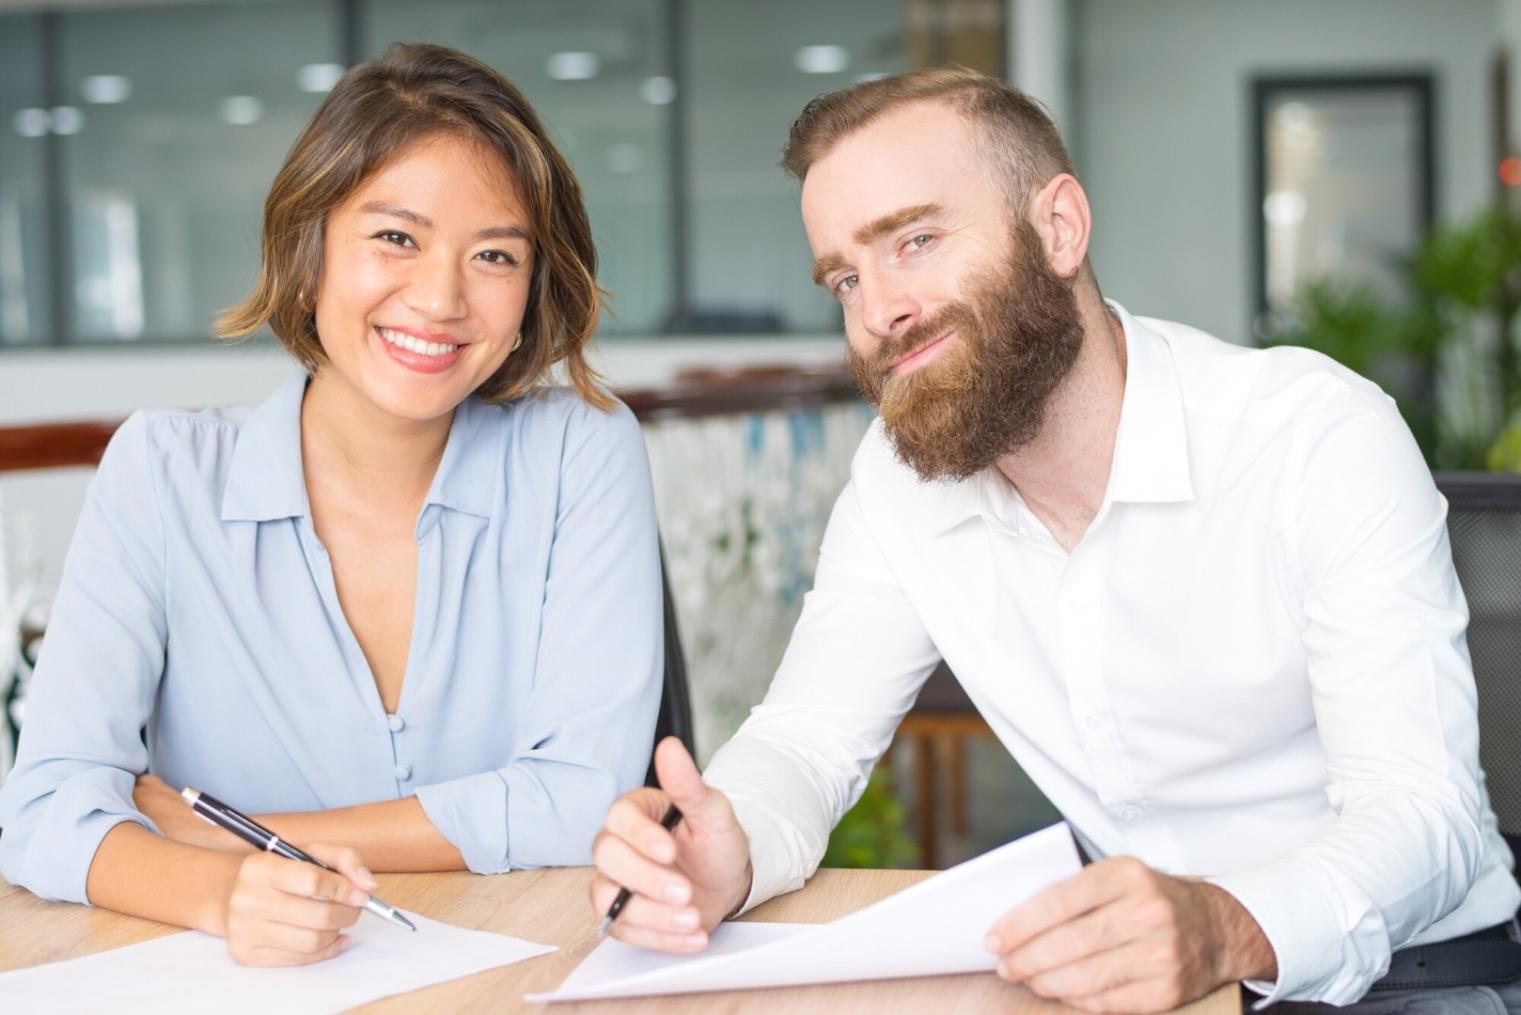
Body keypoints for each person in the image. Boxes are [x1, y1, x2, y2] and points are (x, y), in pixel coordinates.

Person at [587, 67, 1521, 1011]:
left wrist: (1223, 924)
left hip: (1406, 974)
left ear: (1059, 228)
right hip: (1144, 982)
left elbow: (1421, 813)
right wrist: (724, 845)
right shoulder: (897, 478)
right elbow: (807, 739)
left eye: (914, 240)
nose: (876, 313)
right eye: (844, 277)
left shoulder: (1313, 435)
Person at [0, 44, 663, 967]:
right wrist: (225, 894)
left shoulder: (579, 450)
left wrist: (235, 833)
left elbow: (582, 795)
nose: (439, 297)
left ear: (530, 291)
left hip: (525, 972)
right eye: (395, 236)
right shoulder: (161, 471)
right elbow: (43, 809)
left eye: (494, 254)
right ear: (308, 252)